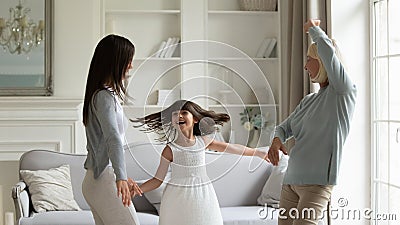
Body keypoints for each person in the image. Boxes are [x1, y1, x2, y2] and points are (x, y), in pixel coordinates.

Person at [267, 19, 357, 225]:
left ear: (323, 61)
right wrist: (276, 140)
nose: (305, 66)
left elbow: (328, 52)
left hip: (316, 184)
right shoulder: (309, 100)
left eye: (309, 59)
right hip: (291, 180)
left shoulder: (343, 93)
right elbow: (284, 127)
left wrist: (313, 30)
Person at [129, 100, 270, 225]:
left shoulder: (203, 141)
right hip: (176, 198)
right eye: (175, 114)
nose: (179, 116)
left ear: (195, 119)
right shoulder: (169, 150)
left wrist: (257, 152)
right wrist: (136, 191)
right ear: (172, 121)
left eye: (184, 112)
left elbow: (231, 148)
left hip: (202, 195)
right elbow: (157, 180)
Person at [81, 34, 142, 225]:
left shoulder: (104, 95)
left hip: (97, 179)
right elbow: (113, 139)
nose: (131, 66)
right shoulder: (103, 97)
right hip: (102, 180)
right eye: (128, 60)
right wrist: (120, 177)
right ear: (115, 61)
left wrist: (121, 175)